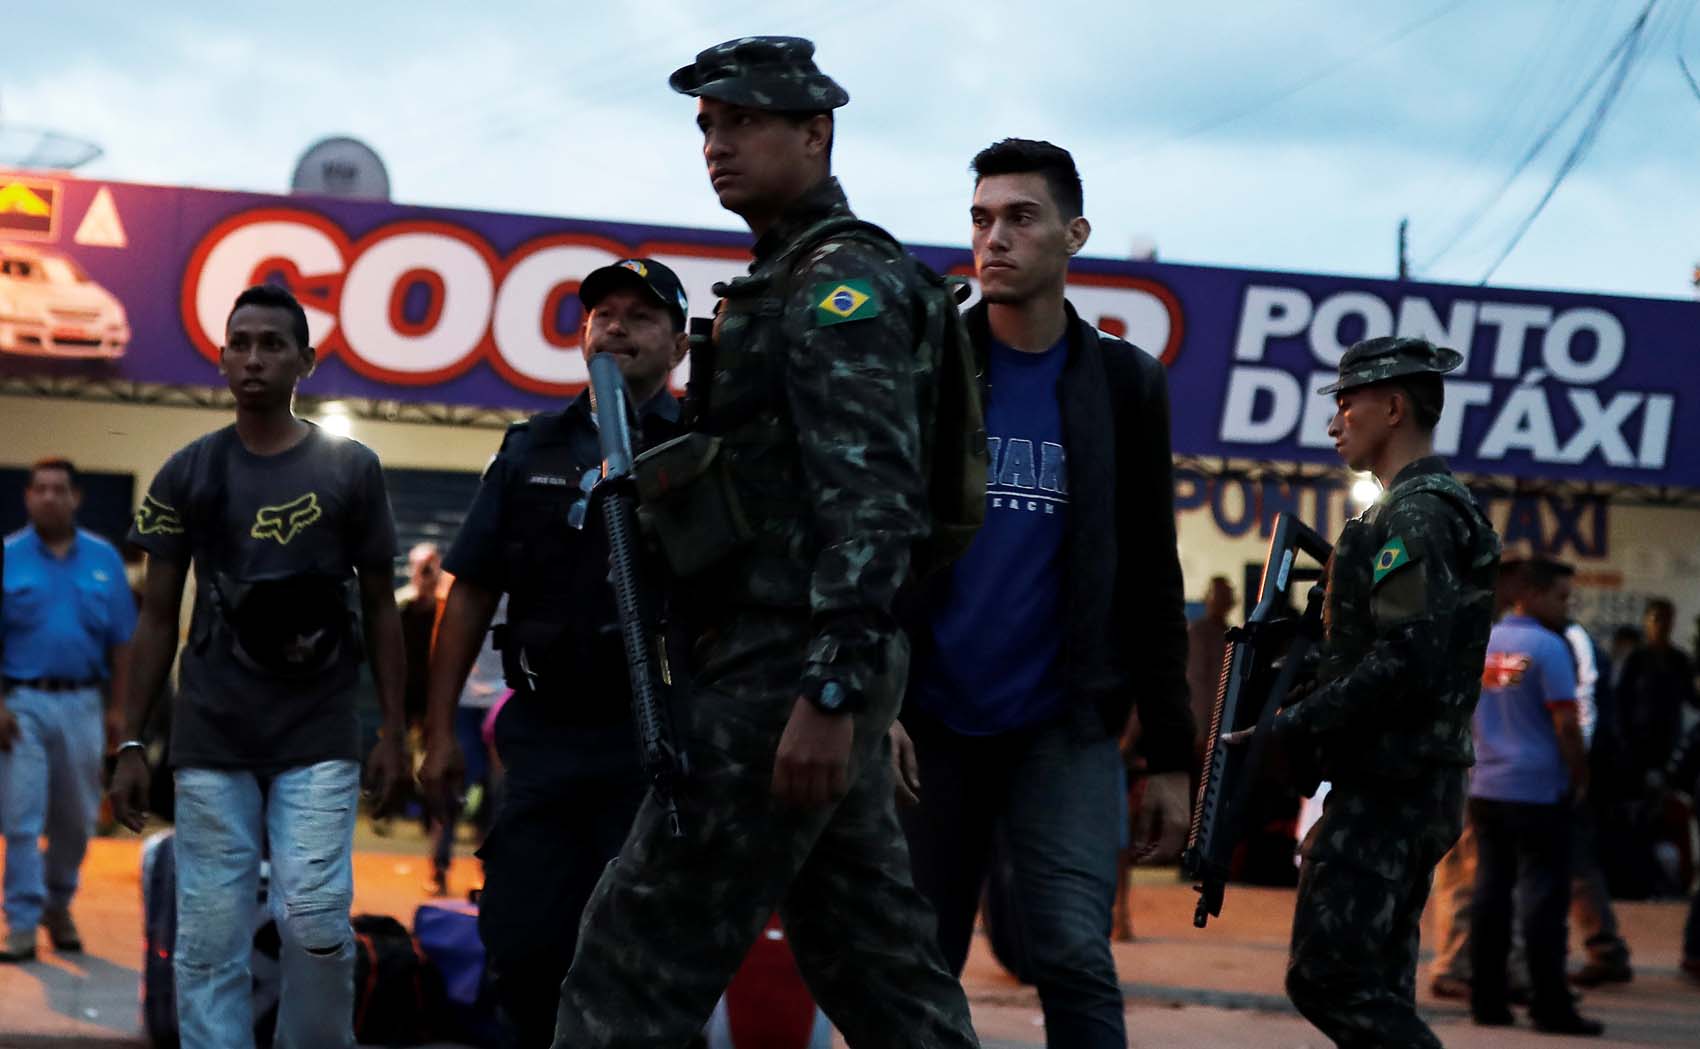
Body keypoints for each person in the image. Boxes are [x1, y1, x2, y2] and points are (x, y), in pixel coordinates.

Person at [550, 37, 979, 1048]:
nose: (716, 143)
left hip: (781, 668)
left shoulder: (838, 288)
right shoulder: (788, 277)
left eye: (741, 121)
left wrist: (830, 691)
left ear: (813, 131)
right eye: (706, 124)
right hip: (785, 657)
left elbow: (870, 496)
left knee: (630, 960)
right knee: (871, 962)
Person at [893, 137, 1193, 1048]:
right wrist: (876, 692)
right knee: (912, 964)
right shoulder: (932, 367)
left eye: (1021, 218)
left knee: (1070, 952)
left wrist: (1172, 756)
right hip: (930, 724)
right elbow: (877, 542)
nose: (995, 238)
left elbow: (1151, 567)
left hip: (1064, 729)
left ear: (1074, 234)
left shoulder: (1123, 383)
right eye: (981, 219)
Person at [108, 283, 409, 1049]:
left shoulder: (352, 469)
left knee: (313, 920)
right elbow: (155, 616)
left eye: (273, 343)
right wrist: (132, 741)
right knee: (210, 934)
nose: (253, 358)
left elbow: (381, 604)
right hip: (214, 732)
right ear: (220, 359)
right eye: (239, 342)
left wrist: (395, 732)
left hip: (319, 727)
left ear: (305, 360)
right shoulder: (188, 471)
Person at [418, 258, 689, 1048]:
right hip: (543, 740)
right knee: (523, 942)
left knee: (639, 954)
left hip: (656, 743)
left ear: (678, 343)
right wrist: (437, 732)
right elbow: (469, 592)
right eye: (601, 313)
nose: (615, 327)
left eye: (639, 316)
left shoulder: (705, 450)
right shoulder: (531, 448)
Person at [1242, 336, 1500, 1049]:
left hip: (1398, 781)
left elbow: (1406, 656)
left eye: (1346, 403)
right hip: (1402, 777)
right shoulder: (1410, 511)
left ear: (1393, 407)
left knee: (1328, 974)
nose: (1334, 423)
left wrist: (1291, 723)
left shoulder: (1415, 516)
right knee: (1377, 979)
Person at [0, 458, 136, 962]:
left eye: (60, 489)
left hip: (84, 704)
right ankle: (22, 919)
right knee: (20, 816)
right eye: (41, 489)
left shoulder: (104, 560)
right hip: (23, 704)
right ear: (28, 497)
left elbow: (124, 642)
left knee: (77, 819)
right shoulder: (8, 556)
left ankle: (58, 904)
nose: (51, 497)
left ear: (76, 498)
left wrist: (118, 712)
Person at [1468, 558, 1603, 1035]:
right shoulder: (1550, 647)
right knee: (1543, 900)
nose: (1568, 608)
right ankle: (1550, 1006)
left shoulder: (1486, 640)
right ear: (1535, 593)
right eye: (1562, 597)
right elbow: (1567, 724)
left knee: (1489, 895)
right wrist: (1580, 777)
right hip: (1538, 790)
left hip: (1485, 788)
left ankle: (1486, 1000)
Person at [1188, 575, 1236, 757]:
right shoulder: (1198, 633)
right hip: (1207, 727)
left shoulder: (1229, 632)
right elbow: (1197, 683)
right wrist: (1200, 730)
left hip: (1223, 721)